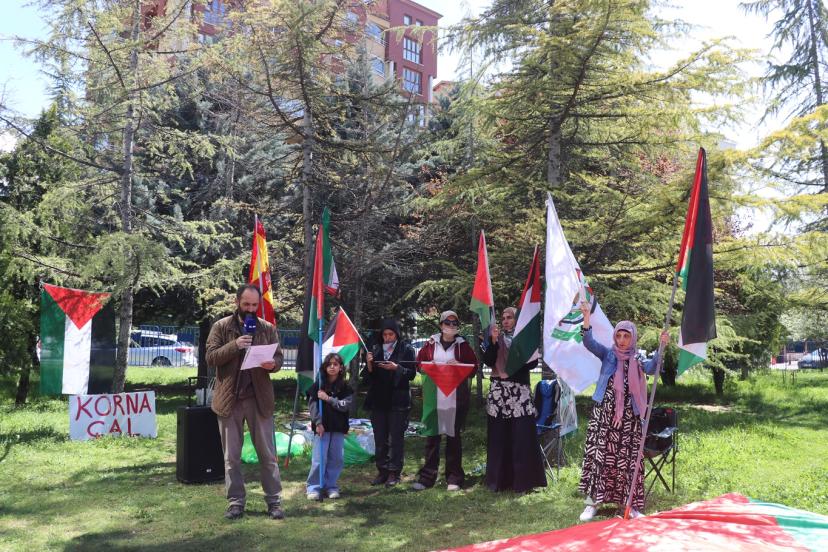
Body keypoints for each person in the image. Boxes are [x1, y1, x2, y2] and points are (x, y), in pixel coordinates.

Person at [577, 301, 670, 521]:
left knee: (628, 460)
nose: (621, 340)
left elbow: (652, 367)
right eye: (618, 335)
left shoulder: (638, 358)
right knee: (601, 456)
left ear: (633, 338)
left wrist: (662, 346)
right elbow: (589, 342)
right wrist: (586, 316)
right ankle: (593, 503)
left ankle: (628, 504)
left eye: (626, 336)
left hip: (630, 419)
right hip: (605, 416)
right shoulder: (608, 354)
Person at [206, 284, 285, 521]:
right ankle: (236, 503)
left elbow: (278, 357)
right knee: (231, 458)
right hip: (229, 401)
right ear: (237, 302)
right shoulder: (221, 326)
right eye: (246, 304)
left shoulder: (267, 328)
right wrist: (234, 345)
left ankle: (274, 502)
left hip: (259, 399)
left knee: (268, 455)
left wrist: (273, 364)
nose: (250, 309)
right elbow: (210, 357)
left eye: (254, 305)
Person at [482, 307, 547, 493]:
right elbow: (488, 361)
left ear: (517, 320)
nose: (505, 320)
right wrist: (493, 342)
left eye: (509, 317)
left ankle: (523, 482)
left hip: (519, 392)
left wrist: (519, 350)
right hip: (499, 393)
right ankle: (499, 481)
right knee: (499, 436)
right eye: (503, 317)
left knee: (522, 437)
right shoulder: (496, 339)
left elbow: (532, 363)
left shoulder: (525, 339)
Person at [412, 310, 478, 491]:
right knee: (432, 438)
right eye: (447, 323)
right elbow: (419, 364)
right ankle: (427, 478)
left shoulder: (463, 346)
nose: (451, 326)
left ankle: (454, 478)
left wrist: (460, 366)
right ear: (441, 325)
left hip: (455, 399)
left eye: (454, 323)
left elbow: (473, 368)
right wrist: (429, 367)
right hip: (434, 398)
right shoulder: (430, 344)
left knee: (453, 438)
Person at [363, 319, 416, 487]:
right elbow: (368, 377)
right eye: (385, 334)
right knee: (380, 438)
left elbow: (412, 374)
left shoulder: (406, 349)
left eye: (391, 334)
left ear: (397, 334)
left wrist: (396, 368)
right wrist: (369, 364)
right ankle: (382, 470)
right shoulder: (376, 349)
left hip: (398, 400)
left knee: (396, 438)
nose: (387, 338)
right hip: (378, 400)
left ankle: (394, 472)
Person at [306, 353, 354, 500]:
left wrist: (328, 399)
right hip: (323, 427)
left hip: (338, 428)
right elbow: (313, 406)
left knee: (336, 459)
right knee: (319, 458)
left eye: (335, 364)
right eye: (329, 364)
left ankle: (330, 486)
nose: (332, 367)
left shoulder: (345, 387)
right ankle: (314, 487)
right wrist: (318, 423)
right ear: (325, 367)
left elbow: (344, 406)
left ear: (341, 368)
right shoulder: (318, 385)